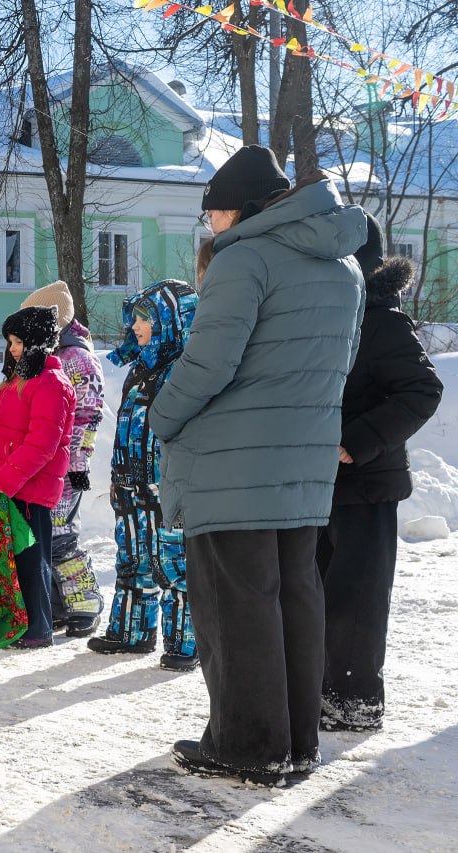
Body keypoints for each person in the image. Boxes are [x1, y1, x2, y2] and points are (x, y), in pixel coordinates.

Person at [150, 145, 367, 785]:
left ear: (239, 208)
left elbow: (209, 364)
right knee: (295, 599)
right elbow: (341, 366)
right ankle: (297, 742)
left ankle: (247, 747)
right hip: (301, 461)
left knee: (236, 606)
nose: (209, 226)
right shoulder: (344, 267)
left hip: (231, 465)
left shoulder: (244, 260)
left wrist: (162, 417)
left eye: (212, 212)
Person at [319, 219, 443, 732]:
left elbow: (422, 391)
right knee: (320, 591)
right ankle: (323, 690)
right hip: (315, 481)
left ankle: (355, 699)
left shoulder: (383, 321)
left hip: (366, 485)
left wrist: (359, 440)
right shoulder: (325, 313)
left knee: (359, 597)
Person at [89, 280, 200, 671]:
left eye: (146, 318)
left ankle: (185, 642)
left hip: (165, 483)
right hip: (130, 479)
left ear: (170, 320)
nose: (136, 326)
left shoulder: (185, 368)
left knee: (172, 562)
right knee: (132, 557)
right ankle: (131, 632)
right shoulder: (142, 365)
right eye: (135, 318)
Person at [0, 305, 75, 649]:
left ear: (38, 342)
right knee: (3, 561)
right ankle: (10, 621)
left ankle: (38, 629)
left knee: (29, 562)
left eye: (19, 341)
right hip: (7, 487)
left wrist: (7, 479)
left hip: (30, 489)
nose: (12, 348)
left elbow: (42, 444)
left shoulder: (51, 384)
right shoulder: (16, 381)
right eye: (10, 341)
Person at [21, 281, 105, 637]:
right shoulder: (50, 355)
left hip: (68, 467)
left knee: (61, 535)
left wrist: (75, 461)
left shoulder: (77, 359)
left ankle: (85, 600)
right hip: (45, 464)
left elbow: (87, 415)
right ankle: (57, 603)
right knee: (45, 535)